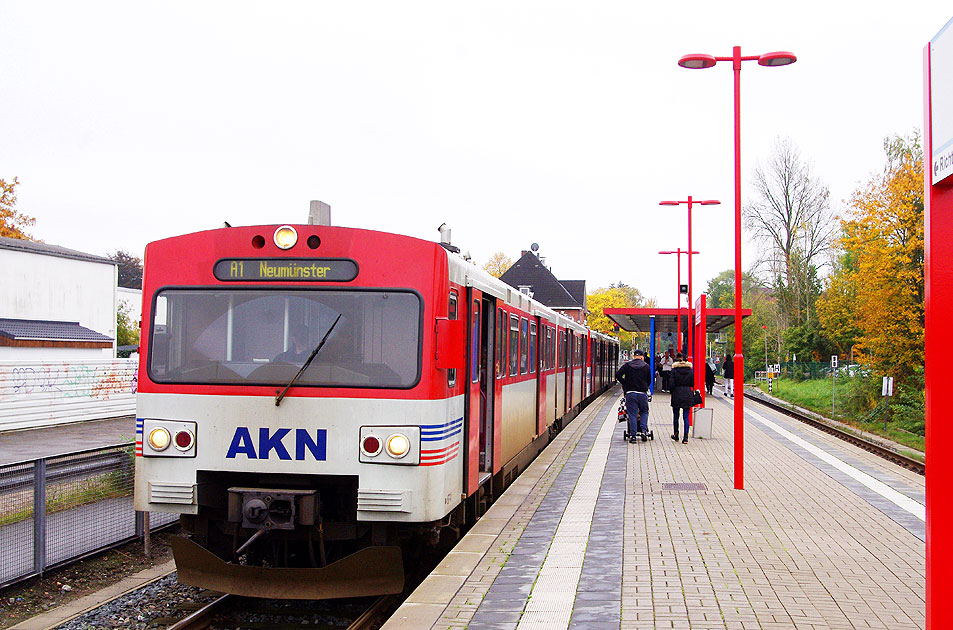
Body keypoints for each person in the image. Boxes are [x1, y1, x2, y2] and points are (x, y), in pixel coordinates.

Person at [615, 348, 651, 443]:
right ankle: (643, 431)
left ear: (634, 356)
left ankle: (633, 436)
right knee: (644, 412)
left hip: (630, 393)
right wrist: (645, 386)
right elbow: (650, 380)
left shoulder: (627, 365)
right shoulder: (646, 366)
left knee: (632, 414)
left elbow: (618, 375)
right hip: (642, 394)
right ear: (642, 357)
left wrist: (625, 383)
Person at [670, 352, 694, 443]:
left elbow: (671, 384)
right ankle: (686, 437)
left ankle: (676, 434)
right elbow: (692, 383)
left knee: (676, 416)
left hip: (677, 393)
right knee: (686, 416)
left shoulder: (674, 370)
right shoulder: (690, 370)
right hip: (687, 393)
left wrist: (672, 390)